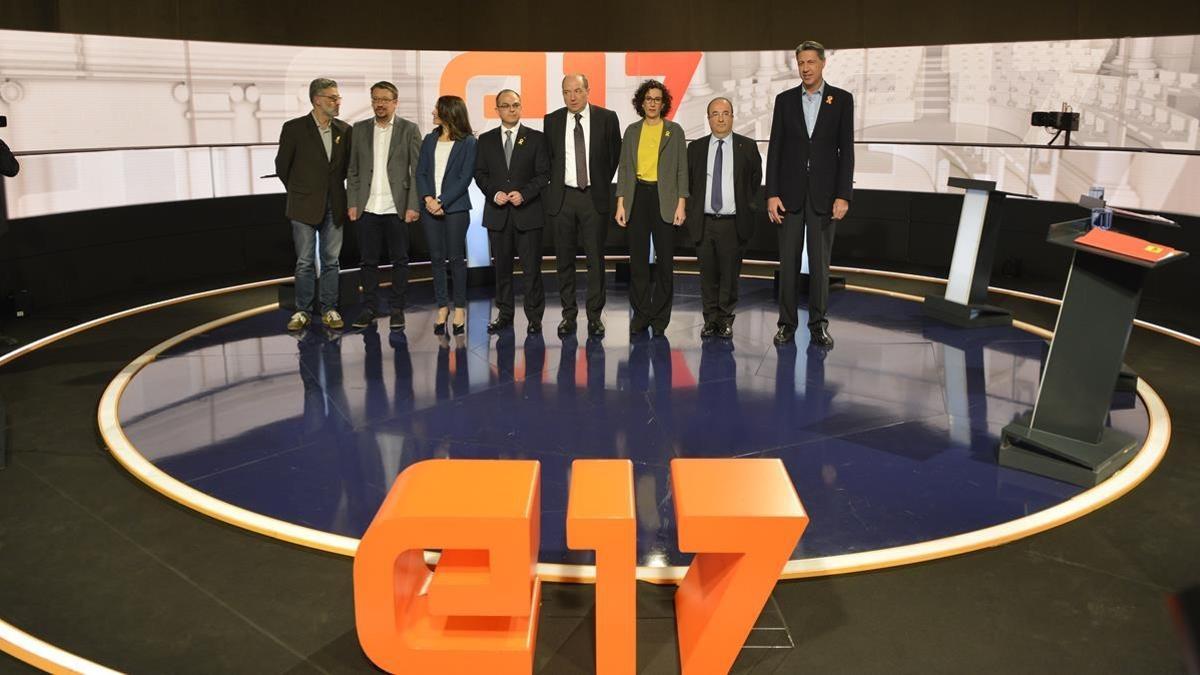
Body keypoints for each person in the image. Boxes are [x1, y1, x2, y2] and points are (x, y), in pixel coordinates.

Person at [766, 40, 854, 347]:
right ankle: (786, 324)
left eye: (810, 62)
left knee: (820, 264)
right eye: (800, 63)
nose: (805, 68)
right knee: (788, 264)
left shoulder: (841, 100)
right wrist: (771, 193)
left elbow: (847, 151)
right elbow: (775, 148)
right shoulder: (785, 100)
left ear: (822, 63)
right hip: (788, 196)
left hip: (824, 197)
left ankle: (818, 325)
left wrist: (843, 195)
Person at [543, 74, 622, 338]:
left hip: (593, 197)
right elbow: (551, 158)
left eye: (577, 90)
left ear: (588, 90)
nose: (572, 97)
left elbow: (614, 156)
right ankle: (568, 315)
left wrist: (597, 182)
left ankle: (594, 316)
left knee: (594, 260)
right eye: (567, 92)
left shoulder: (607, 118)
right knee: (563, 260)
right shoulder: (551, 120)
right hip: (562, 198)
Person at [275, 77, 353, 331]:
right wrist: (302, 193)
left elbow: (346, 170)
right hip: (303, 206)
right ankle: (302, 311)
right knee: (305, 261)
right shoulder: (294, 128)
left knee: (331, 260)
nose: (337, 102)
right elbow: (282, 167)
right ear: (317, 100)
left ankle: (329, 308)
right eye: (333, 97)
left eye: (338, 97)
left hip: (335, 205)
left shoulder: (344, 130)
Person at [614, 79, 688, 337]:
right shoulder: (632, 131)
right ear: (641, 103)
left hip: (664, 198)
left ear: (663, 102)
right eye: (648, 99)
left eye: (657, 99)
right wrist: (621, 202)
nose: (653, 103)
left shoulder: (674, 131)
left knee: (665, 262)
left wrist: (681, 203)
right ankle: (641, 314)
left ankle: (660, 319)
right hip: (638, 198)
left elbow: (681, 170)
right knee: (638, 263)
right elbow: (624, 169)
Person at [346, 81, 422, 332]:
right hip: (367, 207)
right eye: (375, 99)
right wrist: (353, 202)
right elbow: (354, 170)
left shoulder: (409, 129)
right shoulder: (359, 129)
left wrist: (413, 205)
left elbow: (417, 171)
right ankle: (369, 307)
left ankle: (397, 309)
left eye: (384, 99)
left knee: (400, 261)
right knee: (368, 261)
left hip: (397, 207)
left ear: (395, 102)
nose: (379, 104)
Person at [474, 89, 550, 335]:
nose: (511, 109)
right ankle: (505, 314)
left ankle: (534, 318)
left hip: (528, 214)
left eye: (515, 104)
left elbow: (543, 174)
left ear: (521, 106)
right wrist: (494, 193)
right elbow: (480, 174)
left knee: (532, 271)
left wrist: (524, 194)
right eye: (505, 106)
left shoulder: (536, 138)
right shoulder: (485, 140)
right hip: (498, 215)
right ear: (497, 110)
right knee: (502, 271)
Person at [686, 97, 763, 339]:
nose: (720, 118)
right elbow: (690, 182)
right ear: (708, 119)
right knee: (707, 275)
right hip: (704, 221)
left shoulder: (747, 147)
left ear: (732, 116)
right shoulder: (695, 148)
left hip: (732, 223)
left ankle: (726, 319)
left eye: (725, 113)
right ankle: (710, 320)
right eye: (715, 114)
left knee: (730, 275)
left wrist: (746, 207)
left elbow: (754, 181)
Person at [416, 95, 477, 336]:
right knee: (437, 259)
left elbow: (465, 178)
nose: (433, 112)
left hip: (456, 208)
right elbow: (420, 173)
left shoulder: (469, 142)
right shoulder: (430, 139)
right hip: (430, 208)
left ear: (449, 112)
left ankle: (460, 308)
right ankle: (443, 307)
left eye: (437, 108)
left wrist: (442, 200)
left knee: (456, 259)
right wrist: (428, 200)